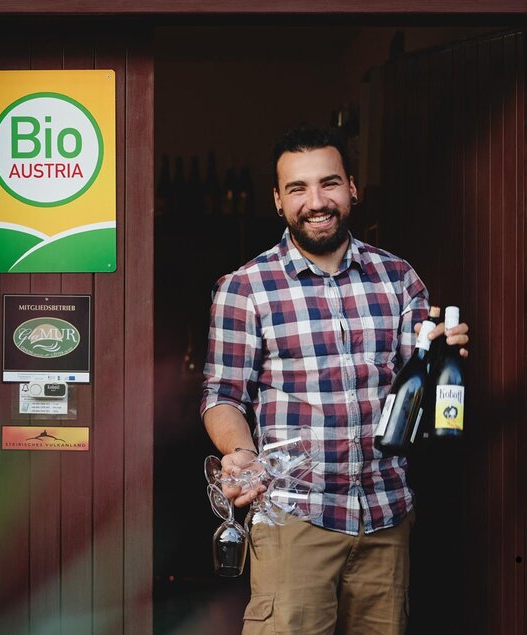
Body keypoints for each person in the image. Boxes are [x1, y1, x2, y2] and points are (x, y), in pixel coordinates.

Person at [200, 126, 470, 635]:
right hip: (294, 518)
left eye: (329, 184)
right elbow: (223, 396)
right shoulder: (244, 288)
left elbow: (422, 385)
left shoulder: (398, 277)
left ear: (353, 188)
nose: (316, 201)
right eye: (297, 188)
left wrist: (443, 351)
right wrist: (240, 451)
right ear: (278, 201)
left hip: (387, 514)